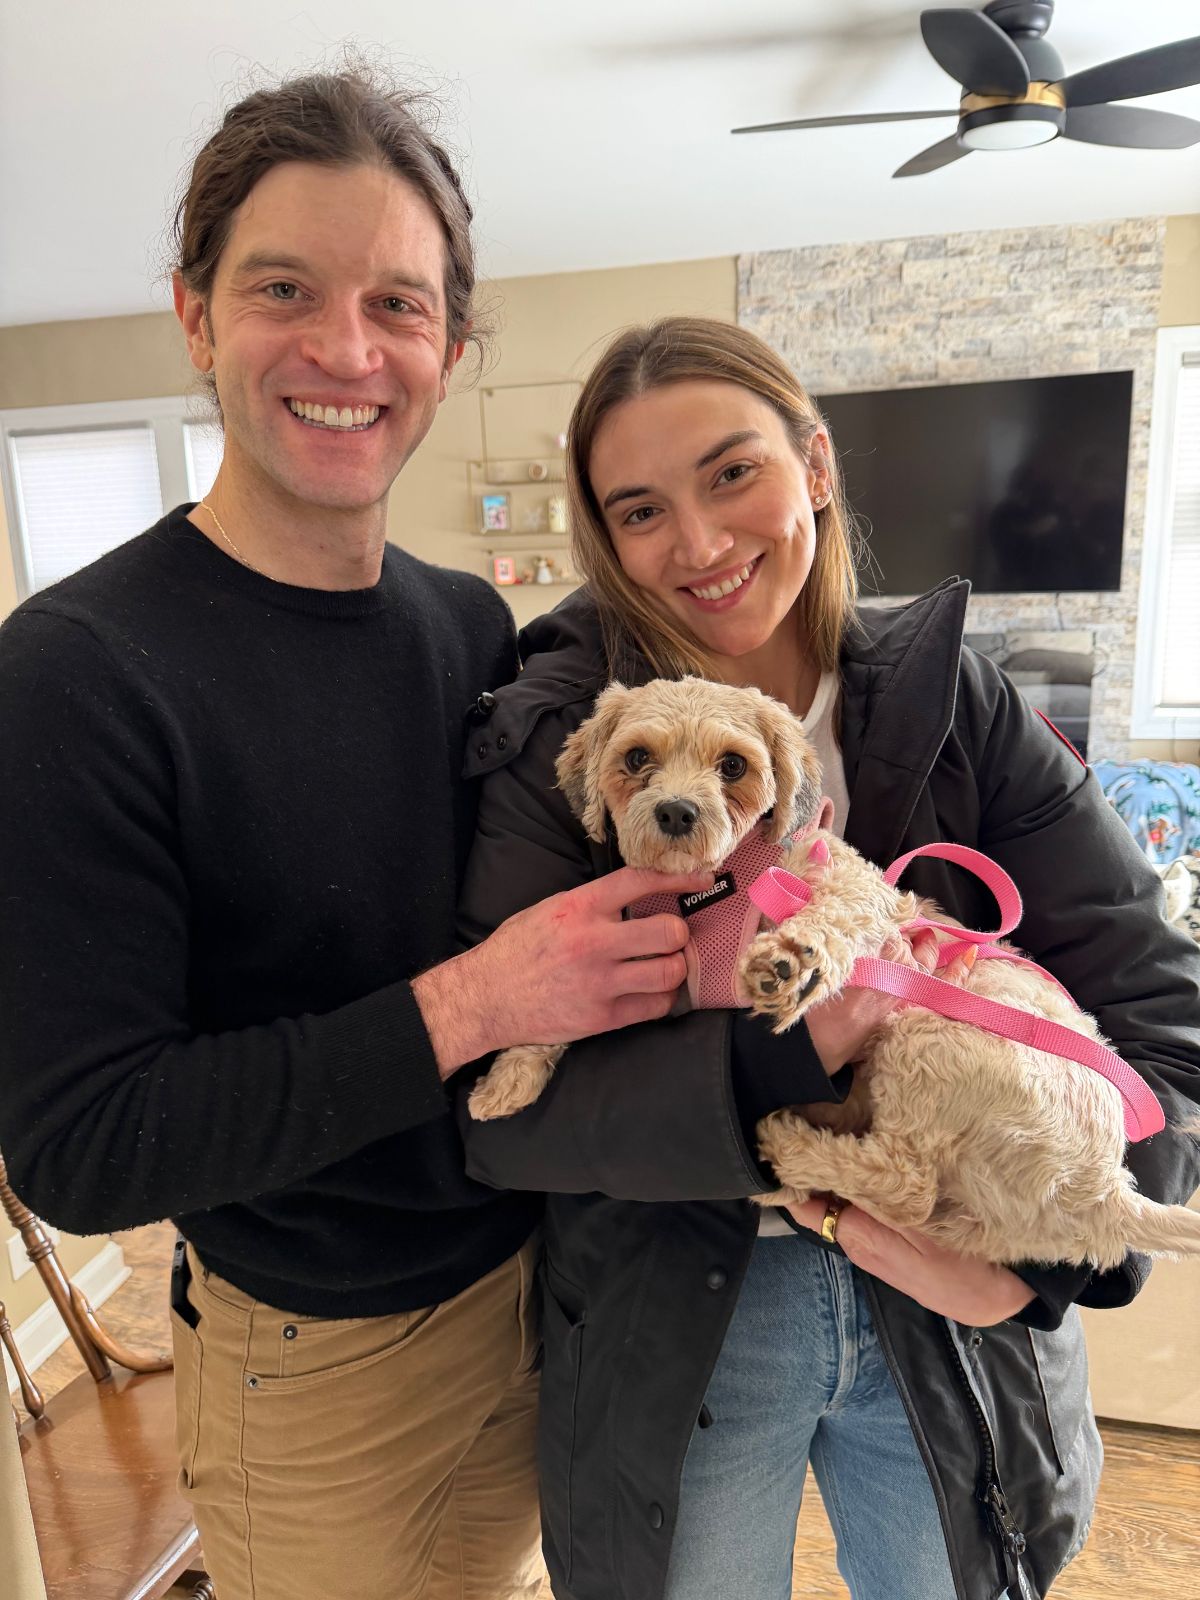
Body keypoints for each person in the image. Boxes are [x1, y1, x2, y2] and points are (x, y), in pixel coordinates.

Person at [0, 74, 708, 1600]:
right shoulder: (73, 677)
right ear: (196, 317)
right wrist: (478, 1004)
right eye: (283, 291)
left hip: (547, 1287)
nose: (346, 349)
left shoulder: (470, 629)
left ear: (452, 348)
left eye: (398, 304)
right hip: (324, 1371)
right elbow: (83, 1148)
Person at [456, 317, 1200, 1600]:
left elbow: (1161, 1014)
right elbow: (503, 1116)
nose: (699, 542)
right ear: (604, 540)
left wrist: (1042, 1259)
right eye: (641, 510)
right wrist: (782, 1061)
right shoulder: (556, 738)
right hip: (683, 1313)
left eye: (732, 472)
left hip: (952, 1315)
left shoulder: (962, 703)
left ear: (814, 466)